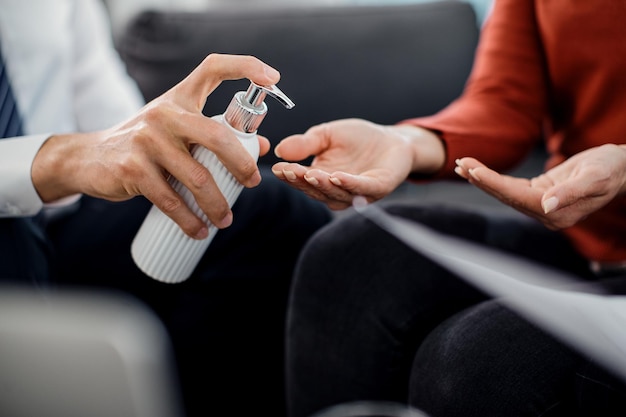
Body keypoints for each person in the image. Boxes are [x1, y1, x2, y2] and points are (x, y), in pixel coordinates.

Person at [270, 0, 626, 416]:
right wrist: (403, 142)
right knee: (351, 256)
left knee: (475, 365)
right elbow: (505, 100)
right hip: (585, 243)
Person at [0, 1, 331, 416]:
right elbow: (87, 151)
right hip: (19, 212)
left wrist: (162, 144)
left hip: (62, 225)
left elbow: (116, 121)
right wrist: (60, 160)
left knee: (274, 215)